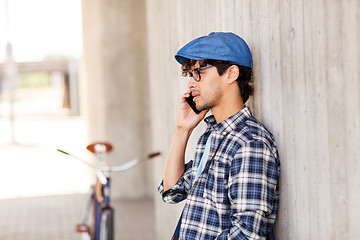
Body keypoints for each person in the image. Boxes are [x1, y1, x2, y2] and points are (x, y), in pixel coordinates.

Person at [158, 32, 280, 240]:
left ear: (231, 73)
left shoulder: (250, 144)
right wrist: (182, 130)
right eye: (189, 74)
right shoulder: (212, 137)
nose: (190, 84)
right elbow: (172, 192)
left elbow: (247, 234)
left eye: (199, 72)